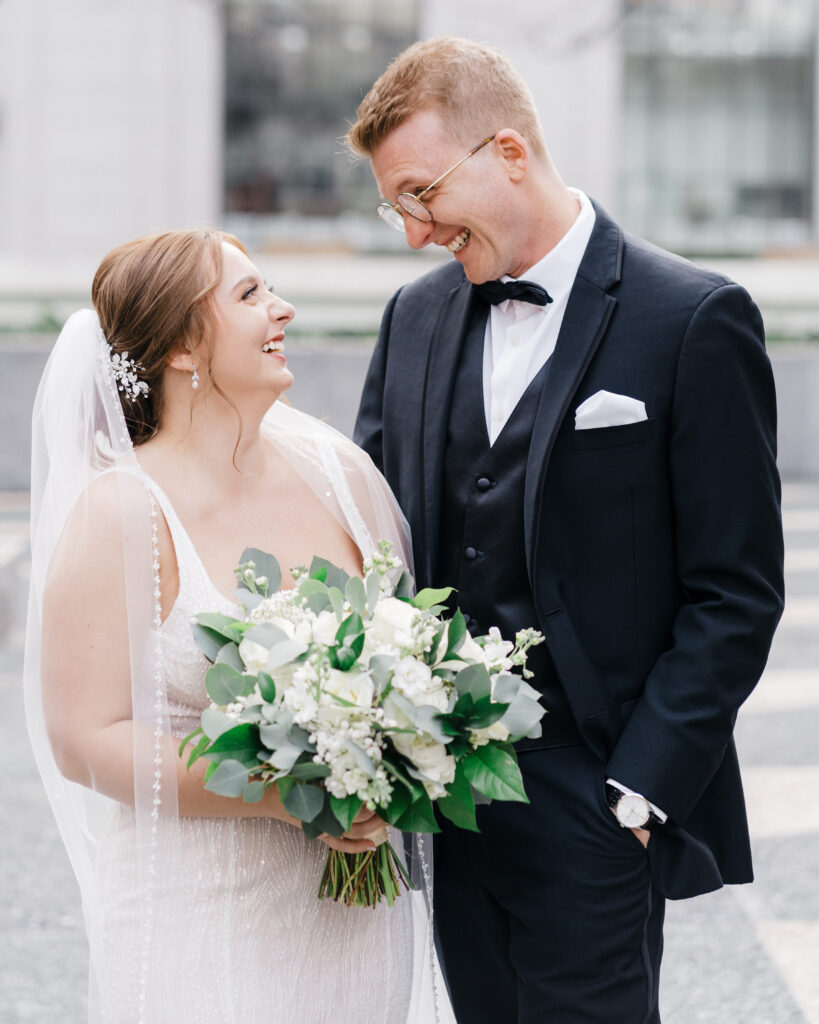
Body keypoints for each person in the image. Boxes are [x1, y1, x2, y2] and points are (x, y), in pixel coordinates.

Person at [347, 36, 785, 1024]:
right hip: (446, 805)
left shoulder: (694, 318)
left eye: (421, 193)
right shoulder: (411, 320)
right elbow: (372, 549)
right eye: (397, 205)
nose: (415, 230)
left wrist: (637, 793)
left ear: (506, 151)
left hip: (596, 798)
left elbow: (738, 589)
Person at [24, 229, 449, 1023]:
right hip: (201, 912)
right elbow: (85, 739)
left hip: (355, 918)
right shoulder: (122, 511)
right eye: (250, 295)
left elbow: (406, 654)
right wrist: (287, 792)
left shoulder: (341, 473)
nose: (281, 309)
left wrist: (387, 770)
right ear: (184, 345)